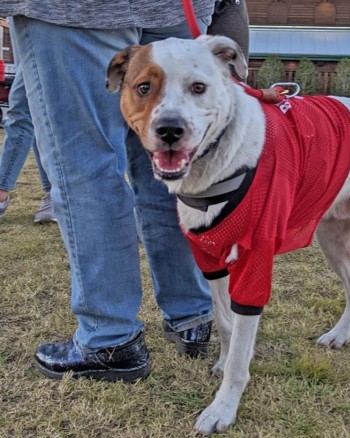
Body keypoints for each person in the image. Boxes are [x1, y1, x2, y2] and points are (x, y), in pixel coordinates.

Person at [0, 1, 218, 383]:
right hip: (178, 8)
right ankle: (192, 317)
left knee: (85, 164)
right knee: (170, 167)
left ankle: (109, 339)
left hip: (75, 11)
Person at [0, 35, 56, 223]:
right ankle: (52, 194)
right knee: (32, 111)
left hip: (51, 16)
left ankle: (1, 192)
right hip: (21, 15)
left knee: (23, 109)